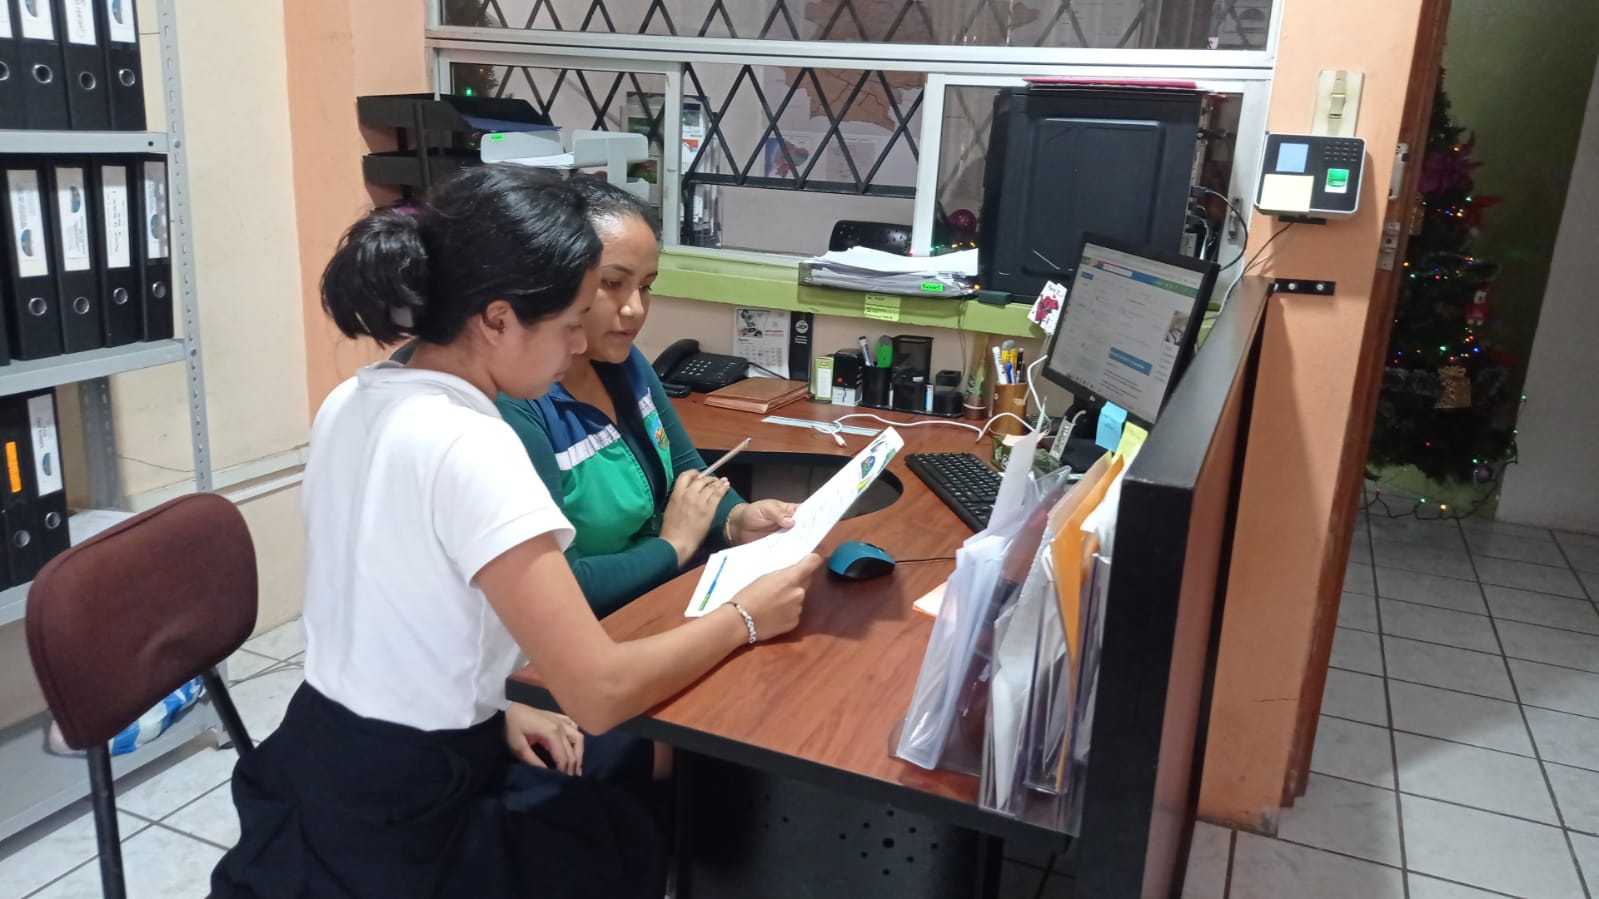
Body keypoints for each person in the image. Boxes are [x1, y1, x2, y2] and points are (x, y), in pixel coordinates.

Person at [211, 165, 819, 899]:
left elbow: (399, 620)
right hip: (411, 817)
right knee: (646, 790)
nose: (577, 347)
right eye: (568, 325)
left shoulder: (355, 399)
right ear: (497, 319)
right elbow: (599, 691)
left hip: (322, 753)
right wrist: (745, 616)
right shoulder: (476, 444)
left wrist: (494, 711)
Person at [497, 177, 797, 616]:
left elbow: (686, 470)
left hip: (659, 596)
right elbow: (563, 588)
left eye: (646, 286)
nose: (635, 309)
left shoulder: (623, 360)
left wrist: (736, 520)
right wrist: (673, 546)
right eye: (612, 283)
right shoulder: (516, 405)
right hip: (594, 628)